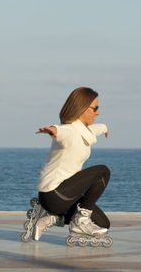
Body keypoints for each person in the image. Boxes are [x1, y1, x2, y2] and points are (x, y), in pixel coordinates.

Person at [32, 87, 111, 241]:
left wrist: (105, 128)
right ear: (81, 108)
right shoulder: (68, 131)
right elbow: (62, 132)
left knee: (103, 224)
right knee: (103, 171)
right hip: (53, 193)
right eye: (95, 108)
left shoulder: (83, 132)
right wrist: (52, 130)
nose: (98, 112)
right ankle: (79, 221)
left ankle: (52, 218)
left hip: (68, 194)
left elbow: (93, 130)